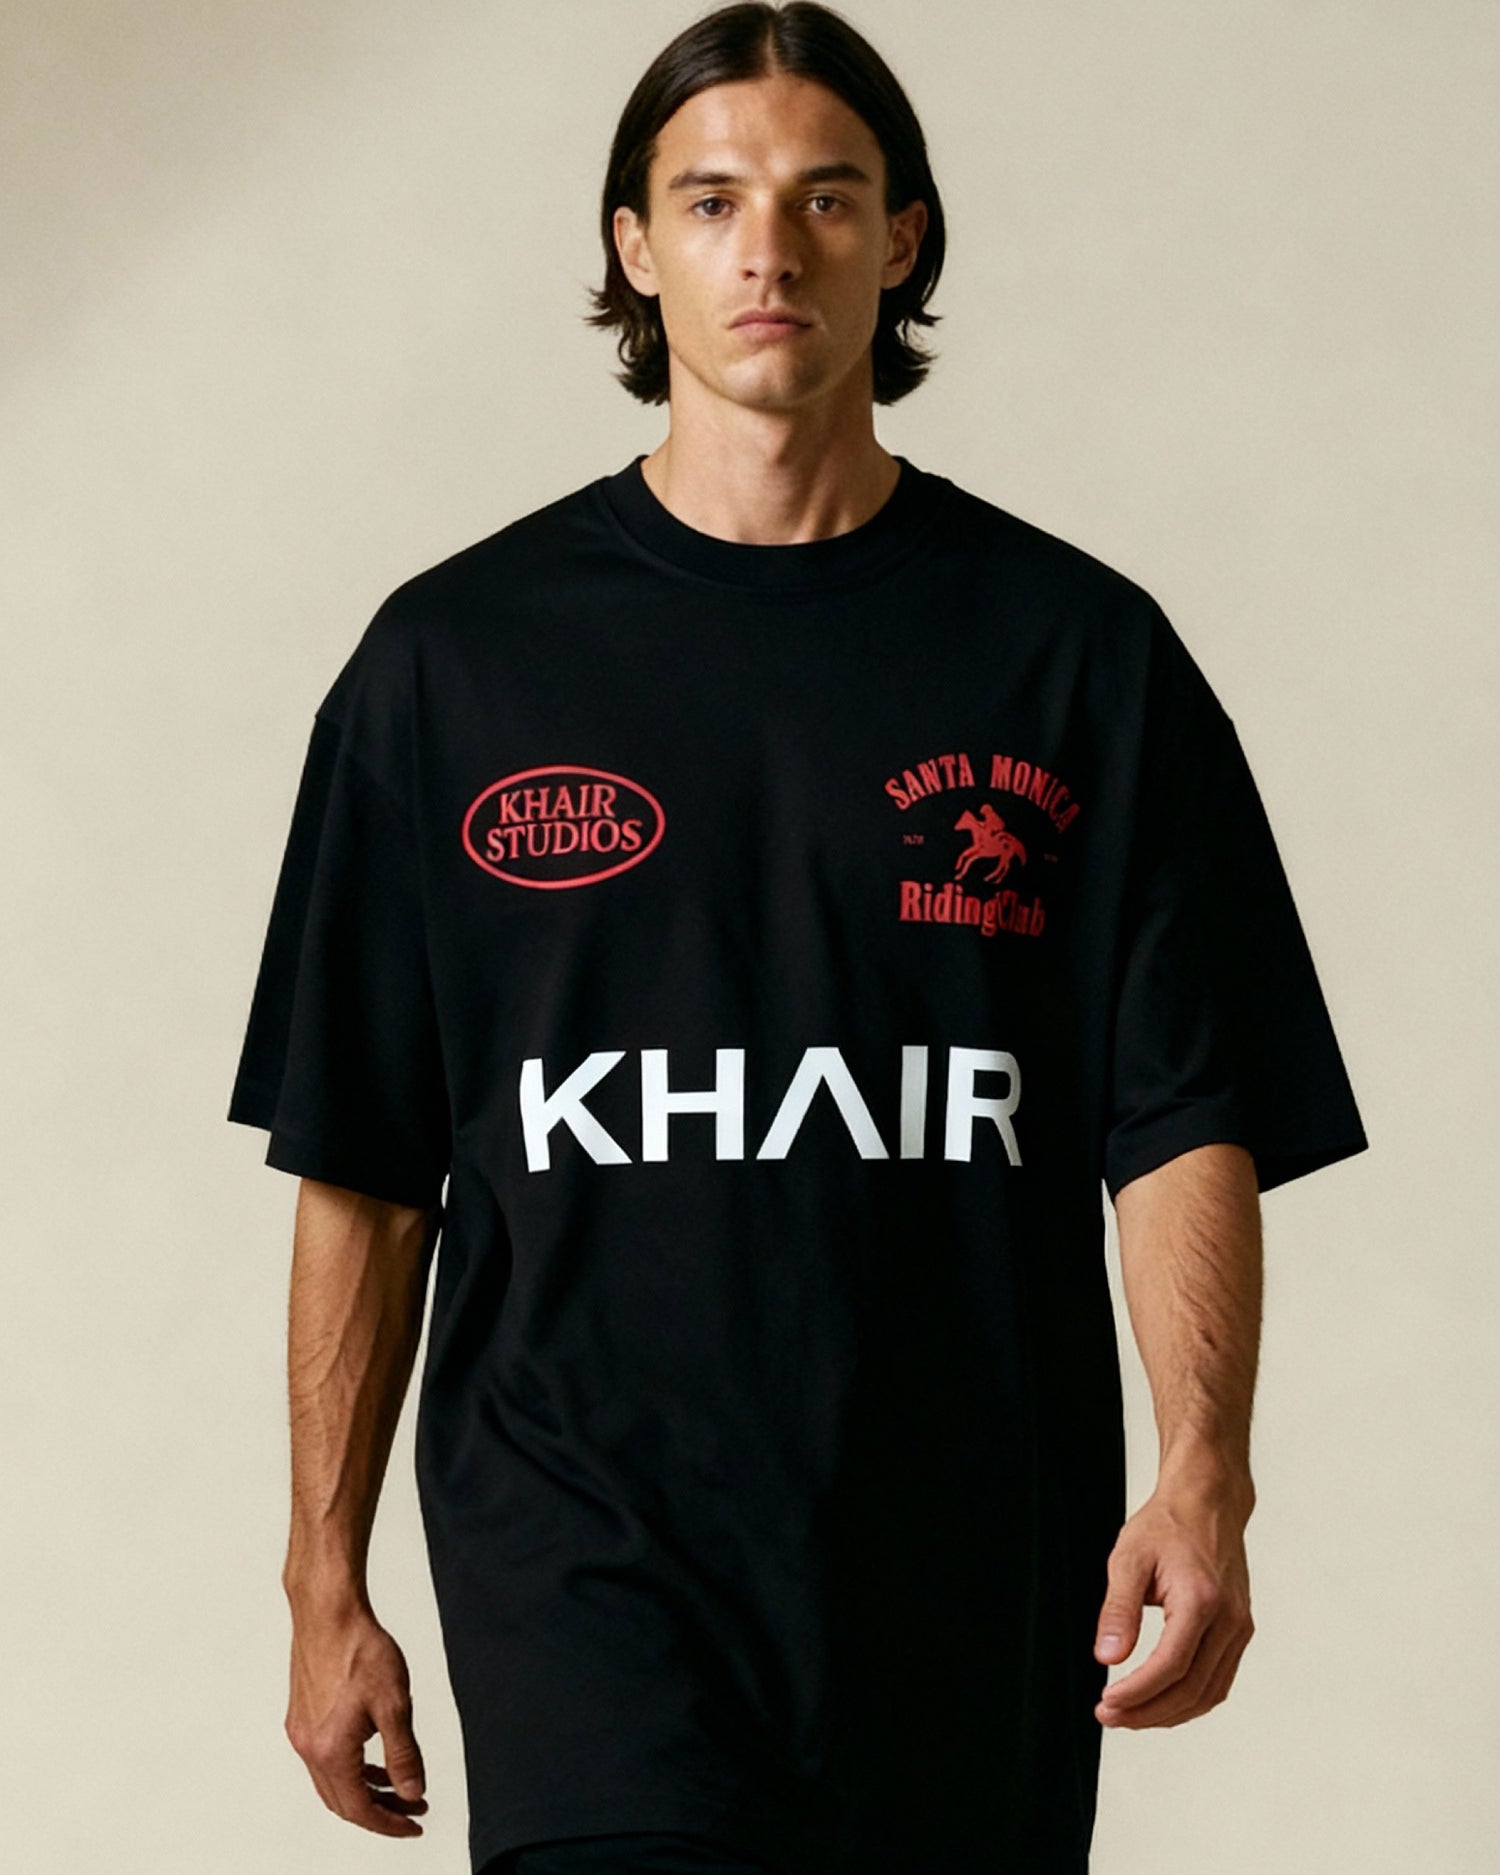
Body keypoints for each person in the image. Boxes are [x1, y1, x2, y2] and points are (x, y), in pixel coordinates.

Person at [226, 5, 1369, 1873]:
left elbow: (1182, 1117)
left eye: (827, 199)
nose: (768, 249)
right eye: (711, 200)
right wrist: (321, 1581)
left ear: (903, 239)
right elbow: (363, 1164)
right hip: (581, 1570)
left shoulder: (1081, 659)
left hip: (969, 1570)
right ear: (634, 246)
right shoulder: (453, 668)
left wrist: (1206, 1476)